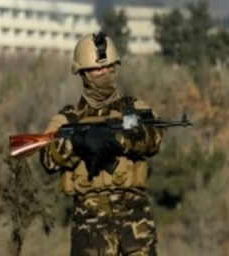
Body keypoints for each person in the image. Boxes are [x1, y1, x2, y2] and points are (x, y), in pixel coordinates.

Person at [39, 31, 163, 256]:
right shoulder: (68, 118)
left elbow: (153, 137)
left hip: (135, 225)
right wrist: (79, 143)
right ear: (83, 74)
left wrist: (118, 139)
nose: (105, 73)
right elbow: (47, 157)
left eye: (109, 68)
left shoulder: (132, 109)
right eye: (98, 69)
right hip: (90, 228)